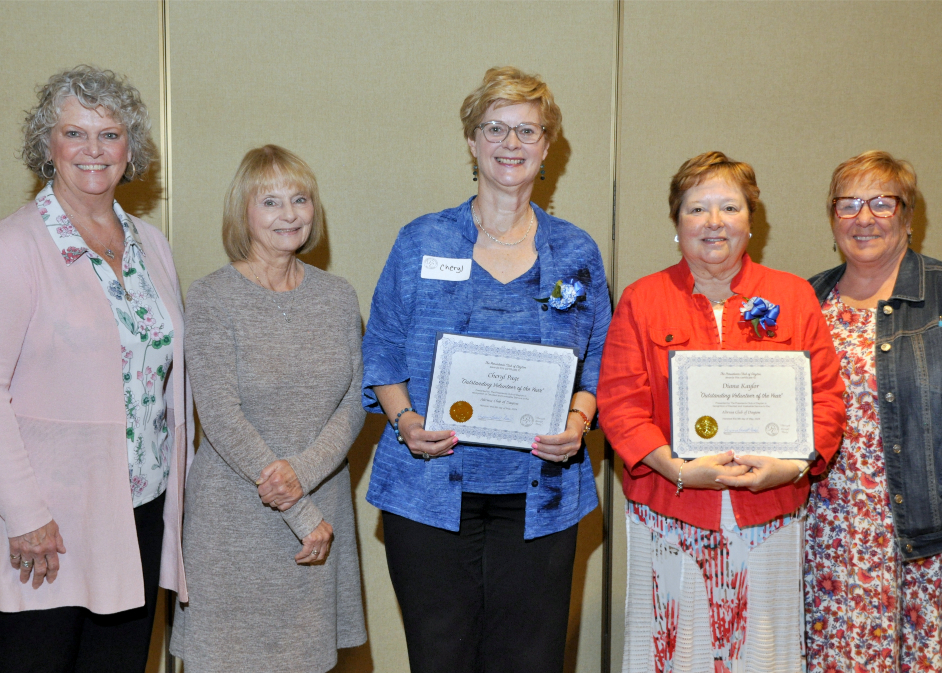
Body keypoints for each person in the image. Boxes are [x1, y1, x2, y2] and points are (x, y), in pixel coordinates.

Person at [361, 66, 611, 673]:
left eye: (528, 130)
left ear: (548, 146)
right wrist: (406, 421)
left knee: (529, 661)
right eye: (495, 128)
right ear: (472, 142)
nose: (511, 143)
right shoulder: (422, 240)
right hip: (429, 489)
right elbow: (382, 349)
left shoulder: (575, 251)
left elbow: (602, 361)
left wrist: (578, 422)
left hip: (540, 493)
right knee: (440, 657)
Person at [597, 151, 846, 672]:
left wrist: (792, 467)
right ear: (677, 223)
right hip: (669, 509)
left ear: (751, 220)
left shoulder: (793, 296)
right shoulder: (643, 299)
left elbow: (826, 399)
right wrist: (676, 468)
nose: (714, 222)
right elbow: (620, 404)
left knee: (762, 655)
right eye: (697, 208)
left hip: (769, 511)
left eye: (729, 207)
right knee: (672, 652)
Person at [0, 65, 193, 671]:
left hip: (141, 509)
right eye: (74, 133)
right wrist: (25, 515)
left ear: (129, 149)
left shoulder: (151, 244)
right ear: (47, 145)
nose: (93, 150)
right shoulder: (17, 245)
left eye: (109, 134)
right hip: (49, 524)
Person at [169, 145, 366, 671]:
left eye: (300, 199)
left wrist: (301, 478)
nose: (290, 214)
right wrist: (299, 510)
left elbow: (355, 401)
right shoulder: (211, 297)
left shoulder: (338, 296)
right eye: (271, 201)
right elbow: (220, 416)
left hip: (322, 503)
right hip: (236, 520)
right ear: (243, 212)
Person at [804, 151, 942, 672]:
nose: (864, 218)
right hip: (827, 529)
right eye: (848, 204)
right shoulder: (806, 298)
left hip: (923, 530)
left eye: (882, 203)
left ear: (908, 216)